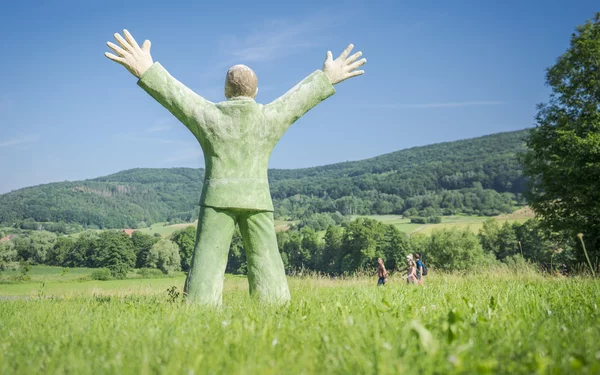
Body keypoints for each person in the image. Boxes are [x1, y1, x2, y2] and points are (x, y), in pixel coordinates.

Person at [104, 30, 366, 306]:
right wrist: (327, 76)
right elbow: (296, 102)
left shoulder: (211, 116)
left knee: (207, 261)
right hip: (257, 200)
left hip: (217, 199)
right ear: (255, 91)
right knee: (267, 262)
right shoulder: (268, 117)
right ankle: (274, 307)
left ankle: (200, 309)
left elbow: (178, 98)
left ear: (226, 91)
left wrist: (146, 69)